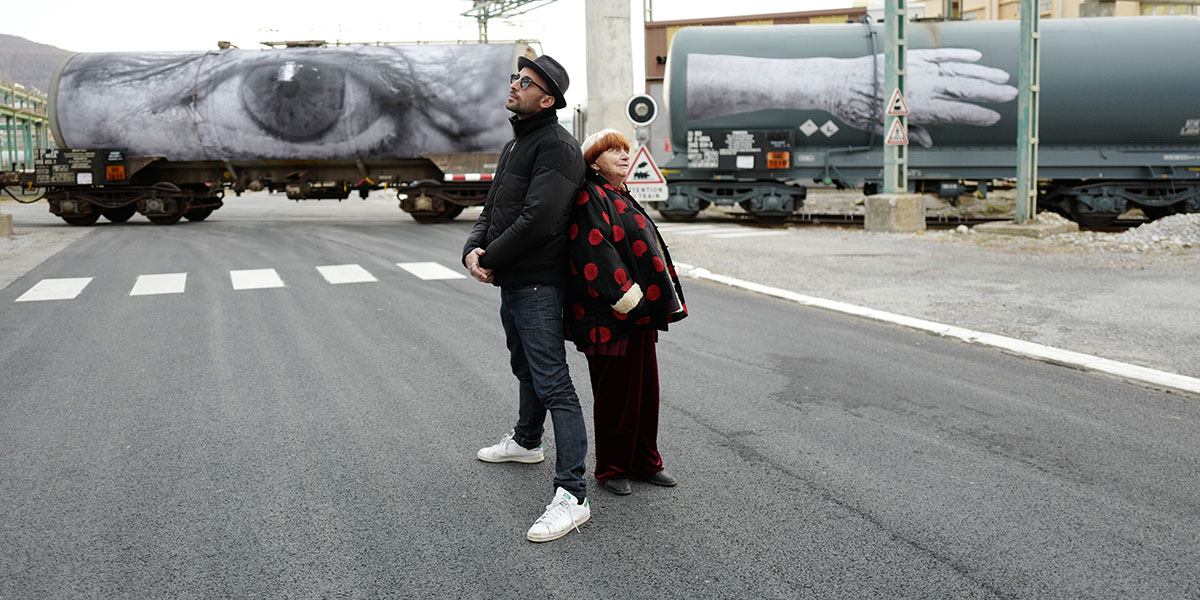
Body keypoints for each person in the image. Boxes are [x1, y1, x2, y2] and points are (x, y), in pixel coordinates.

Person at [462, 54, 590, 543]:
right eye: (516, 78)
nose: (515, 85)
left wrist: (490, 255)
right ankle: (526, 441)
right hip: (512, 279)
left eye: (526, 81)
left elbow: (538, 219)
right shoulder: (516, 143)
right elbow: (491, 207)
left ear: (548, 98)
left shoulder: (557, 146)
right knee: (525, 367)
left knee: (554, 381)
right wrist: (472, 251)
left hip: (538, 283)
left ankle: (572, 495)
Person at [565, 128, 688, 496]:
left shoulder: (620, 193)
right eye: (613, 150)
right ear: (594, 162)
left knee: (645, 393)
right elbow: (595, 254)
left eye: (625, 149)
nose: (623, 155)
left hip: (639, 316)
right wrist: (630, 301)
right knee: (614, 395)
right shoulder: (590, 196)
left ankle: (645, 462)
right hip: (610, 318)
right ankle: (612, 469)